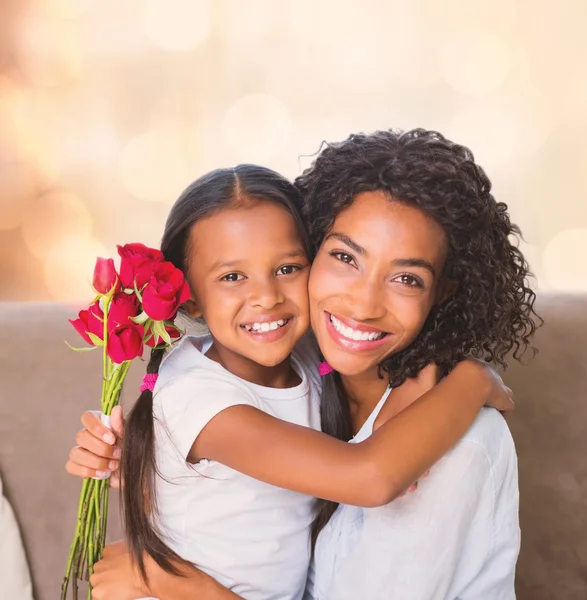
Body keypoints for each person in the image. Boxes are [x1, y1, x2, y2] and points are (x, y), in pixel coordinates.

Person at [67, 129, 537, 599]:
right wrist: (475, 380)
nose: (268, 297)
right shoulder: (220, 386)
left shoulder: (437, 431)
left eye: (407, 278)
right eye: (345, 257)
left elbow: (345, 480)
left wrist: (187, 581)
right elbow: (359, 476)